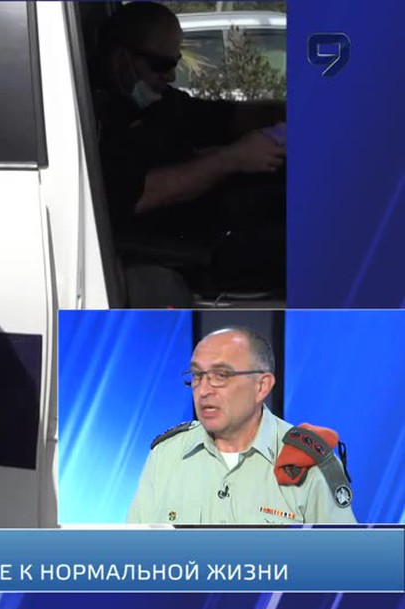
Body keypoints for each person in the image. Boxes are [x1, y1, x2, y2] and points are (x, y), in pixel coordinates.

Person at [93, 2, 286, 293]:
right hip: (173, 248)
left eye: (175, 63)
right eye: (161, 65)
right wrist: (233, 158)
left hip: (211, 221)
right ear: (122, 60)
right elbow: (136, 194)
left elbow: (226, 116)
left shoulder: (159, 103)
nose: (171, 76)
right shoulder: (95, 120)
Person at [127, 327, 357, 525]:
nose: (203, 390)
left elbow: (345, 559)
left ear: (261, 386)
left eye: (221, 375)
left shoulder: (309, 461)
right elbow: (134, 554)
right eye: (197, 375)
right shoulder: (165, 456)